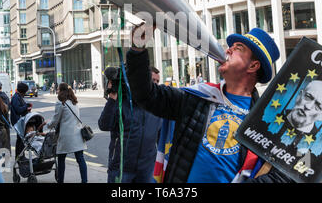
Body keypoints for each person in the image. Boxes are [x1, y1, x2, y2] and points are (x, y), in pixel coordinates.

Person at [127, 25, 291, 183]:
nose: (228, 50)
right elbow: (146, 95)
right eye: (230, 46)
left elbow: (282, 175)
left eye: (238, 48)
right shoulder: (197, 97)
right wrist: (138, 50)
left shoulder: (266, 122)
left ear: (253, 65)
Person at [98, 66, 162, 183]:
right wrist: (112, 98)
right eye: (153, 80)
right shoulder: (123, 101)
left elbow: (160, 138)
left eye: (157, 81)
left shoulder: (157, 107)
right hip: (121, 168)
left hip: (146, 170)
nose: (156, 84)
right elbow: (104, 125)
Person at [44, 82, 88, 183]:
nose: (57, 91)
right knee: (80, 159)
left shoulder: (61, 103)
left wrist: (47, 124)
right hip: (77, 134)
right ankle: (84, 181)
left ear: (61, 90)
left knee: (61, 158)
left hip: (66, 136)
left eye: (58, 89)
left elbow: (55, 120)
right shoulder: (74, 101)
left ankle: (60, 181)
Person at [10, 82, 32, 160]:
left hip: (19, 120)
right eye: (25, 92)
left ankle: (19, 156)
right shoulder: (16, 97)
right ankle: (20, 156)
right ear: (22, 91)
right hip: (18, 121)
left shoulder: (18, 96)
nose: (25, 93)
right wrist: (26, 106)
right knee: (21, 140)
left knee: (21, 139)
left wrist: (27, 106)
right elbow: (18, 110)